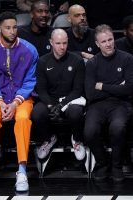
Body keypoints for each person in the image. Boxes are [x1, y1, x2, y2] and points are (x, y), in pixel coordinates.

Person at [0, 11, 38, 193]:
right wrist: (2, 103)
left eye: (14, 27)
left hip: (22, 98)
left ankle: (22, 171)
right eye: (8, 28)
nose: (12, 31)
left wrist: (15, 103)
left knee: (22, 120)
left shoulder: (30, 50)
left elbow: (29, 81)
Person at [84, 24, 133, 182]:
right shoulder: (92, 63)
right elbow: (90, 93)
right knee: (89, 131)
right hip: (97, 105)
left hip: (121, 103)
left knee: (117, 127)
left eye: (110, 39)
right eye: (104, 41)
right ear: (97, 44)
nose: (108, 44)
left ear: (114, 39)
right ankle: (102, 162)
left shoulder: (127, 59)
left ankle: (117, 166)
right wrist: (117, 86)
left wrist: (103, 86)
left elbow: (129, 89)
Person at [31, 28, 86, 161]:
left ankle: (77, 139)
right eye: (58, 43)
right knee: (37, 113)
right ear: (51, 42)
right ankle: (49, 138)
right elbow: (41, 89)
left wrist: (62, 104)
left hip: (71, 99)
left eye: (65, 43)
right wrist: (50, 105)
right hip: (50, 99)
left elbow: (77, 89)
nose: (62, 47)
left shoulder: (77, 61)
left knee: (75, 113)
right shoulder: (43, 61)